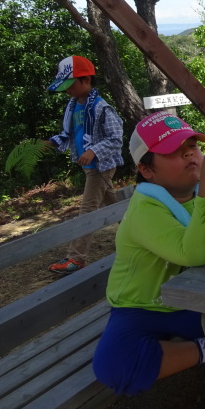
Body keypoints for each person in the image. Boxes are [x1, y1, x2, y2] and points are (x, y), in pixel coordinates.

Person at [93, 112, 205, 409]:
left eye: (193, 146)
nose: (190, 153)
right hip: (140, 306)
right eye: (173, 150)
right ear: (146, 170)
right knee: (113, 366)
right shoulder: (144, 209)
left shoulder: (203, 193)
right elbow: (193, 254)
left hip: (190, 301)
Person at [46, 56, 124, 274]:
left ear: (87, 80)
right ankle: (138, 234)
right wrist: (51, 143)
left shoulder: (101, 108)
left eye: (70, 84)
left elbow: (116, 138)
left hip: (101, 167)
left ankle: (75, 258)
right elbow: (69, 134)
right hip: (89, 167)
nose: (67, 90)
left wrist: (93, 151)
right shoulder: (73, 106)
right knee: (115, 205)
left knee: (87, 210)